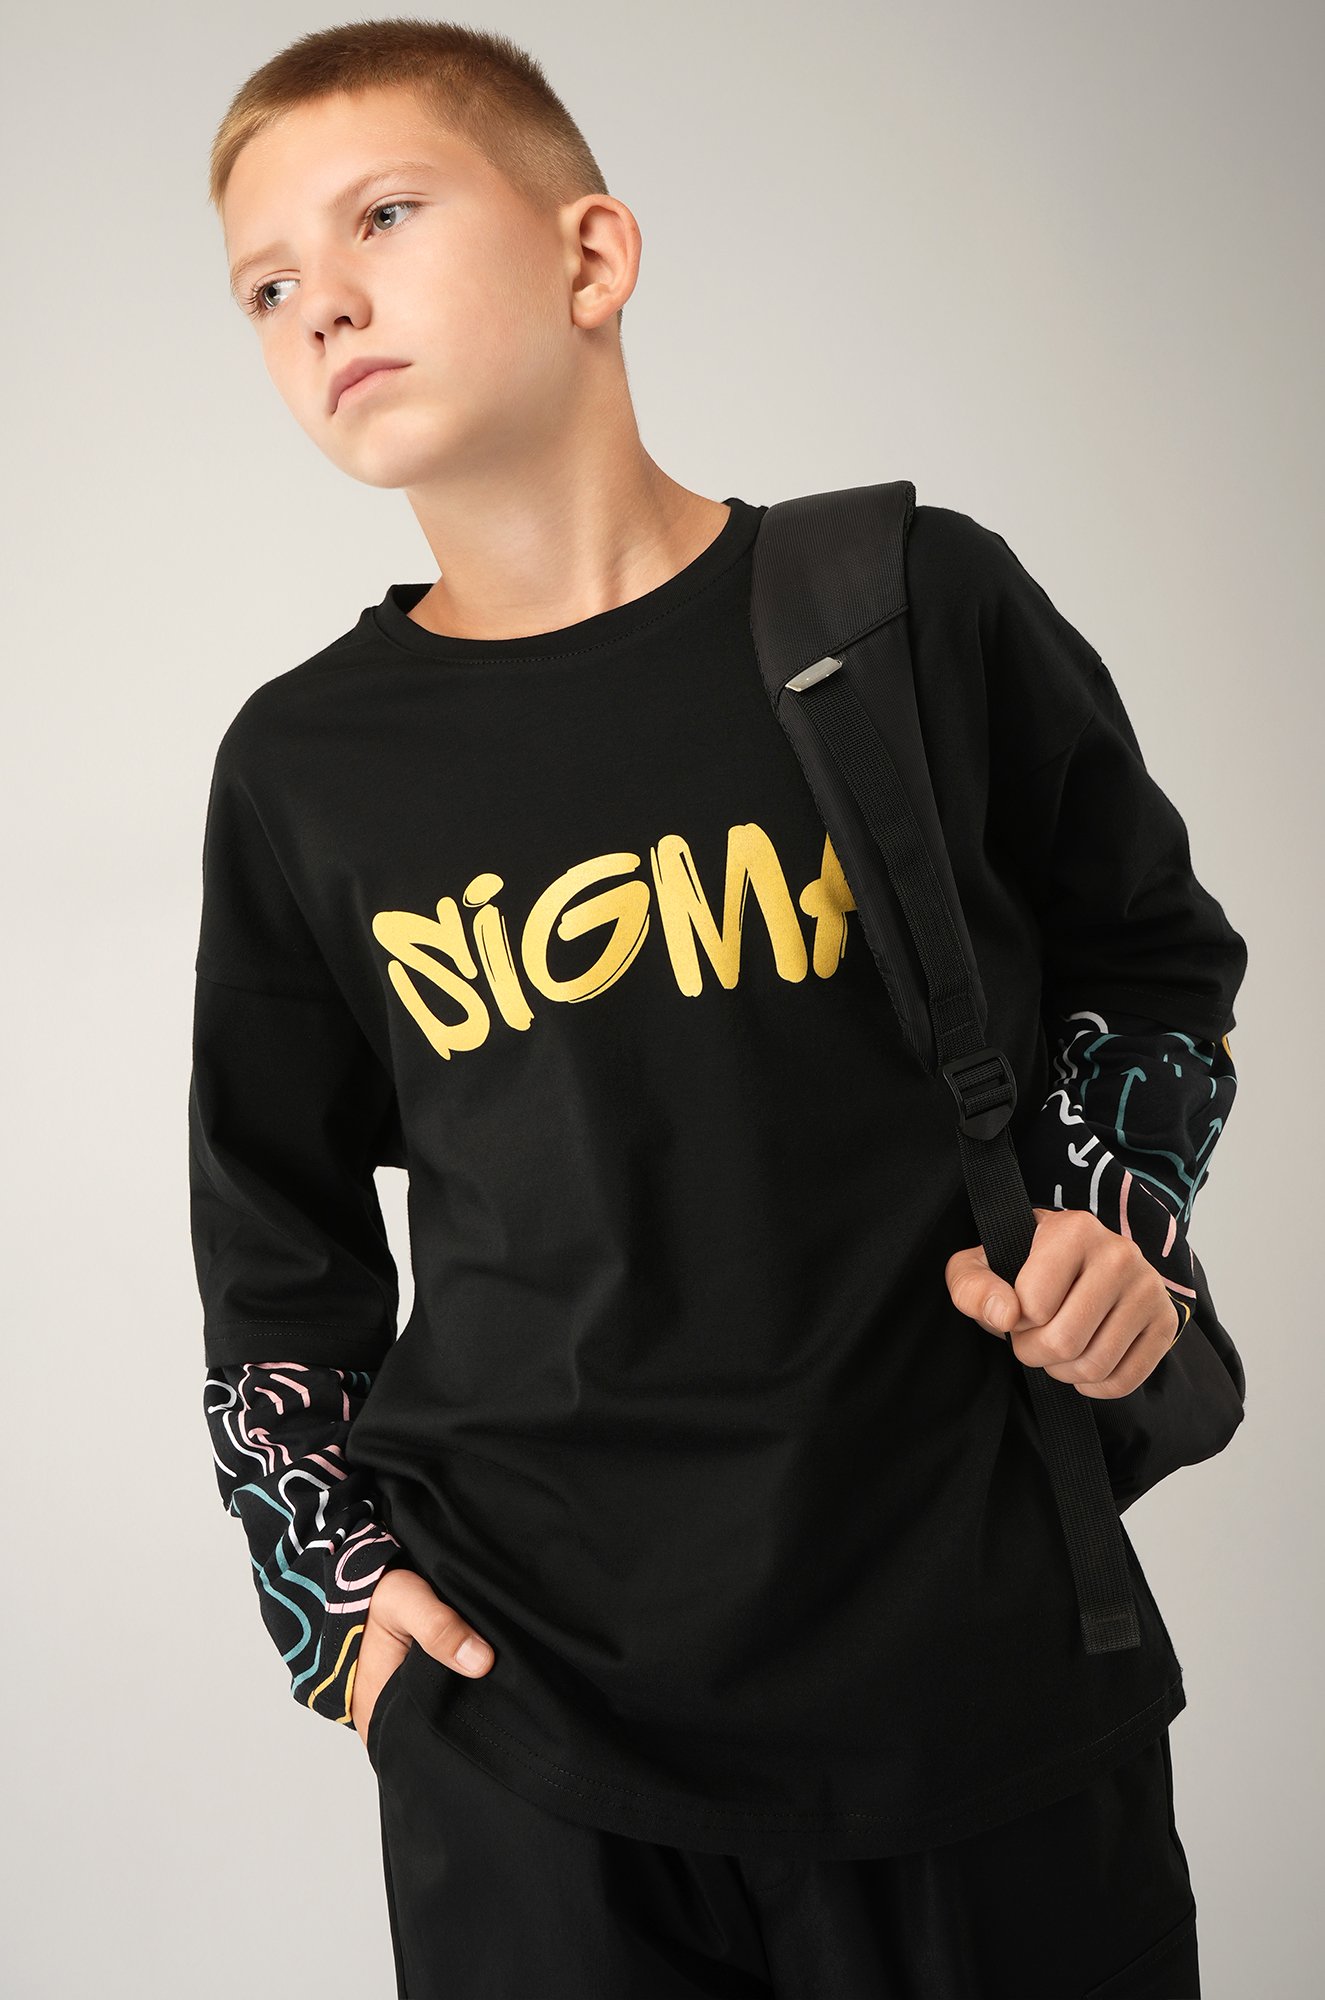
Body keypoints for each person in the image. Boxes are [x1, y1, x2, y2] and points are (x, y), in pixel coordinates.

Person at [191, 20, 1245, 1997]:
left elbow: (1145, 956)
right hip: (530, 1729)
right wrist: (334, 1605)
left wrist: (1117, 1225)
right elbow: (274, 1235)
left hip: (976, 1675)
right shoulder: (304, 766)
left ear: (590, 256)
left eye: (383, 218)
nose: (319, 300)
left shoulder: (906, 605)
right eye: (263, 286)